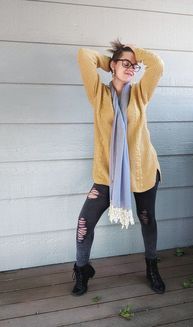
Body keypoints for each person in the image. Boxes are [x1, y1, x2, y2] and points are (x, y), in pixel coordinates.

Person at [72, 39, 165, 296]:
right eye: (125, 63)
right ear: (112, 65)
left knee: (147, 220)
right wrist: (112, 61)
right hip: (107, 174)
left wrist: (134, 52)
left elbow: (156, 65)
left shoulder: (139, 93)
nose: (131, 68)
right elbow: (84, 54)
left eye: (134, 65)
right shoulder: (99, 95)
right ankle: (82, 269)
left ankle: (151, 267)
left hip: (142, 170)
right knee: (83, 222)